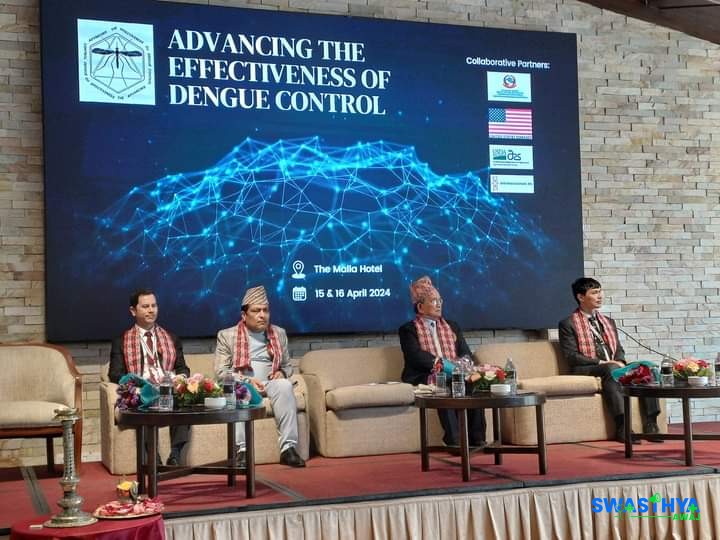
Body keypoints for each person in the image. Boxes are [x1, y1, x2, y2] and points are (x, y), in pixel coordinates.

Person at [558, 277, 661, 443]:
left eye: (600, 292)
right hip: (586, 368)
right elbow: (572, 356)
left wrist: (620, 361)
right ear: (581, 297)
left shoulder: (608, 322)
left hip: (612, 365)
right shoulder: (568, 324)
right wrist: (603, 363)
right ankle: (622, 426)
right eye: (594, 293)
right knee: (611, 370)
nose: (600, 296)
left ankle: (651, 423)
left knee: (645, 367)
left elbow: (618, 349)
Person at [215, 285, 305, 468]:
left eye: (265, 310)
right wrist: (247, 380)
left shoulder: (279, 333)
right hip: (244, 383)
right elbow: (221, 373)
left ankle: (288, 449)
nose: (262, 315)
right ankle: (242, 450)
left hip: (270, 383)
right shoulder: (227, 335)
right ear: (244, 315)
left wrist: (282, 372)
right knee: (238, 389)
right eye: (256, 311)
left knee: (285, 385)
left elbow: (287, 366)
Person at [398, 276, 486, 447]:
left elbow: (465, 353)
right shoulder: (408, 329)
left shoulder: (452, 326)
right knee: (443, 381)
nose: (439, 304)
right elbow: (416, 357)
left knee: (474, 382)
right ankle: (454, 440)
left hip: (456, 371)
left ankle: (477, 438)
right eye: (433, 301)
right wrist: (446, 367)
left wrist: (463, 369)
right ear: (420, 307)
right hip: (424, 374)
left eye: (440, 300)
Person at [109, 288, 191, 465]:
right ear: (133, 311)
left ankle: (175, 455)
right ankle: (155, 459)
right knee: (143, 403)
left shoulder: (171, 338)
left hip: (168, 389)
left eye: (154, 306)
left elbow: (183, 368)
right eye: (145, 306)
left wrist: (180, 377)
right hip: (143, 391)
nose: (151, 310)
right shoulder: (121, 341)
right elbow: (115, 373)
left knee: (185, 401)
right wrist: (137, 385)